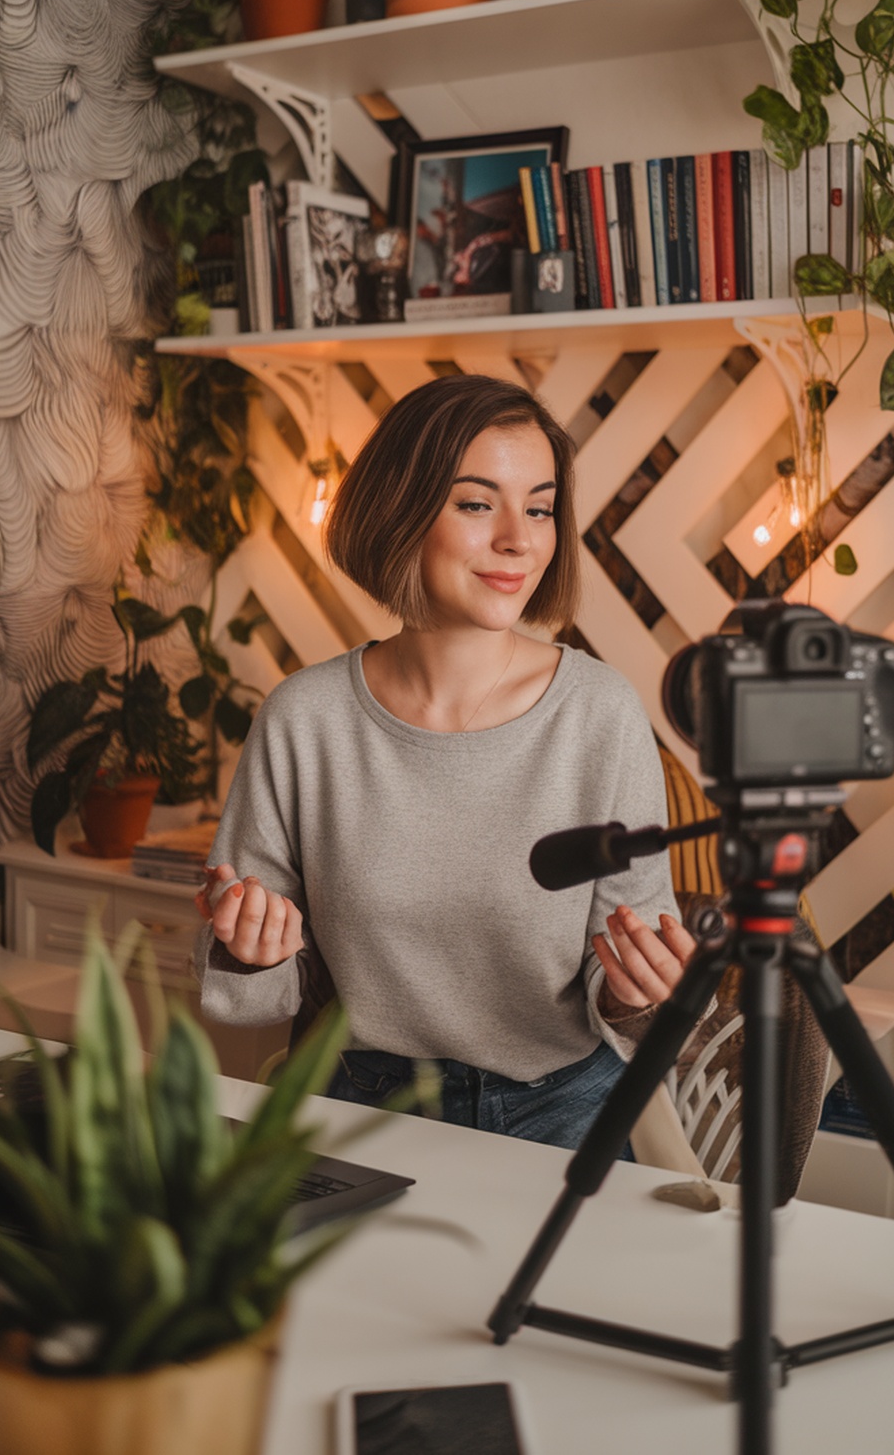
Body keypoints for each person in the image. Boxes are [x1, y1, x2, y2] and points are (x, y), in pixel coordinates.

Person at [195, 373, 695, 1152]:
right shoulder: (304, 719)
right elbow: (247, 994)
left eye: (539, 508)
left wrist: (640, 993)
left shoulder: (601, 713)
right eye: (476, 504)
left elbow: (623, 979)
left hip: (567, 1115)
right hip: (363, 1110)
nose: (518, 539)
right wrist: (251, 951)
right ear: (400, 510)